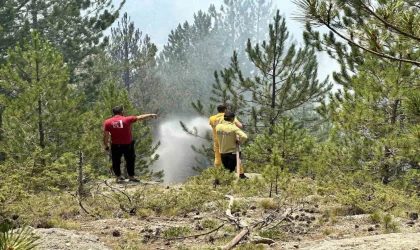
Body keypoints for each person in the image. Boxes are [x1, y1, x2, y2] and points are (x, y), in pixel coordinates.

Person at [103, 106, 157, 183]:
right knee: (130, 160)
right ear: (121, 112)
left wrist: (105, 145)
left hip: (115, 145)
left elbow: (105, 135)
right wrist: (150, 114)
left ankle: (118, 177)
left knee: (116, 161)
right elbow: (140, 117)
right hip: (128, 145)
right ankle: (131, 177)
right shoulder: (127, 119)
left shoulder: (107, 122)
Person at [216, 111, 248, 179]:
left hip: (222, 151)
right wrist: (240, 141)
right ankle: (225, 183)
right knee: (230, 171)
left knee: (225, 168)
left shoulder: (218, 127)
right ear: (232, 119)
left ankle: (220, 181)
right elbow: (244, 136)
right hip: (232, 152)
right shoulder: (233, 127)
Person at [209, 104, 242, 170]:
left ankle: (217, 175)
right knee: (235, 156)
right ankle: (240, 173)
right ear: (225, 110)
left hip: (217, 141)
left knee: (217, 158)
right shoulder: (228, 117)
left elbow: (212, 126)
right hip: (228, 140)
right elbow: (240, 125)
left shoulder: (212, 118)